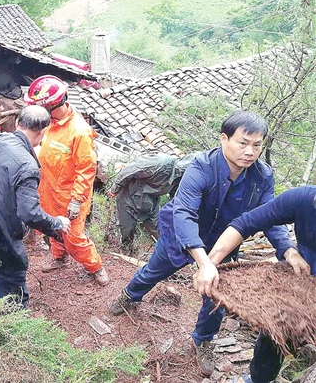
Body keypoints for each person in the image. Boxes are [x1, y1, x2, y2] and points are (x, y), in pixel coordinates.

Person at [108, 110, 291, 377]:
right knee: (154, 271)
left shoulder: (261, 177)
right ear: (224, 139)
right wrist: (203, 262)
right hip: (180, 235)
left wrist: (287, 249)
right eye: (243, 143)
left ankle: (203, 340)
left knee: (216, 299)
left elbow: (271, 216)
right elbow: (184, 213)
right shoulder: (201, 167)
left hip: (224, 243)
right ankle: (130, 295)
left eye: (257, 145)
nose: (250, 152)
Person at [194, 186, 314, 383]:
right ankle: (259, 379)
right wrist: (208, 265)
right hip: (302, 285)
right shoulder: (304, 199)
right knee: (275, 326)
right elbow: (245, 223)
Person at [0, 106, 71, 308]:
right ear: (42, 132)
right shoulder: (27, 166)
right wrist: (56, 223)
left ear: (18, 123)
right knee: (14, 292)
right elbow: (29, 213)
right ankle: (12, 323)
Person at [24, 75, 109, 286]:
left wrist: (77, 200)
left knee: (74, 238)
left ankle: (95, 267)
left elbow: (86, 169)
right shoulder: (48, 125)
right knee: (52, 229)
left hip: (70, 196)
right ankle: (59, 257)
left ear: (52, 106)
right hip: (48, 191)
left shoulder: (79, 132)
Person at [108, 152, 198, 255]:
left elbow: (175, 197)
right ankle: (126, 251)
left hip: (150, 202)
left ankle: (166, 254)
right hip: (129, 196)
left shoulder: (181, 179)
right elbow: (128, 170)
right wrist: (115, 188)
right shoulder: (160, 163)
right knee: (127, 229)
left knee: (158, 229)